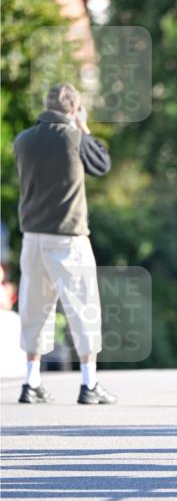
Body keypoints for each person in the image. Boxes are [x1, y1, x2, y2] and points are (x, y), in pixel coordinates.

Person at [13, 82, 117, 404]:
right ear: (74, 108)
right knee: (83, 308)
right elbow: (101, 164)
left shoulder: (23, 141)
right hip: (69, 237)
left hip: (32, 237)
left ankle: (31, 383)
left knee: (34, 309)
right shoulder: (74, 138)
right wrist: (83, 128)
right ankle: (89, 385)